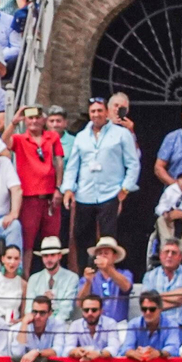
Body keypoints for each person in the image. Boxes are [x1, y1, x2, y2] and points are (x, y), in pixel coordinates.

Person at [62, 96, 140, 262]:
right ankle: (86, 276)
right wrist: (68, 188)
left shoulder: (122, 134)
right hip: (85, 194)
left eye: (99, 110)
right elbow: (73, 166)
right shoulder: (81, 137)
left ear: (106, 112)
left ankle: (108, 275)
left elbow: (133, 164)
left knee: (108, 240)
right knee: (82, 236)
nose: (96, 114)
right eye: (93, 111)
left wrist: (125, 188)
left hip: (110, 193)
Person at [25, 235, 79, 327]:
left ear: (60, 256)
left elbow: (66, 310)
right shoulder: (34, 279)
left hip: (62, 326)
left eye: (52, 255)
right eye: (45, 256)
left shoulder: (72, 278)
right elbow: (29, 309)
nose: (49, 259)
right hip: (37, 325)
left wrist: (50, 325)